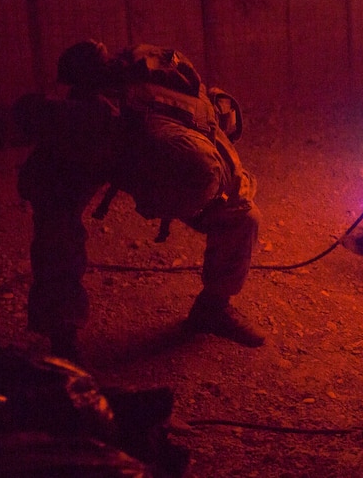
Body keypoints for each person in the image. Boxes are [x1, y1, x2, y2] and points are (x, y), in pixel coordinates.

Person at [14, 40, 265, 360]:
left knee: (244, 217)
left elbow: (231, 198)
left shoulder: (201, 145)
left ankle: (212, 309)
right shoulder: (87, 123)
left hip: (153, 150)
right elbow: (30, 120)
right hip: (110, 144)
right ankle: (62, 335)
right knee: (56, 221)